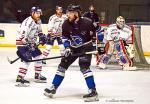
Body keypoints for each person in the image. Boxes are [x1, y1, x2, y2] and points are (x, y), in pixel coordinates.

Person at [43, 4, 99, 102]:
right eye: (68, 12)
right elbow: (64, 37)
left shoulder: (88, 22)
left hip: (86, 47)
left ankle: (93, 91)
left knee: (84, 67)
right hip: (73, 47)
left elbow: (100, 30)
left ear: (77, 14)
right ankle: (53, 88)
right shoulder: (65, 24)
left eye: (71, 13)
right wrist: (67, 48)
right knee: (62, 66)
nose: (68, 15)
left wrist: (101, 44)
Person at [15, 7, 47, 86]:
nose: (38, 15)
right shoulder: (28, 22)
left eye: (39, 13)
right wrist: (28, 45)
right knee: (27, 59)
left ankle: (37, 76)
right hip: (22, 43)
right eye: (37, 13)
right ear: (32, 13)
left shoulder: (38, 20)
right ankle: (20, 78)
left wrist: (42, 37)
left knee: (39, 57)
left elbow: (39, 31)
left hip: (31, 43)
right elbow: (22, 36)